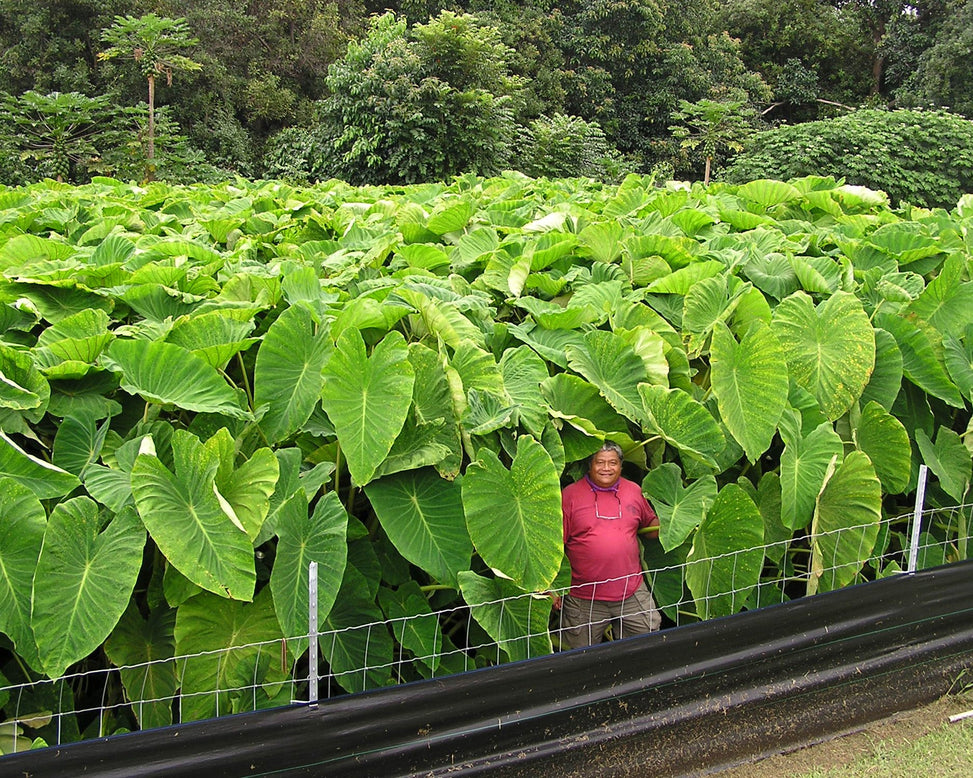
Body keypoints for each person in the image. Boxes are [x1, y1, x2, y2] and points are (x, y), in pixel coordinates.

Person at [554, 441, 661, 649]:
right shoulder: (570, 495)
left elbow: (653, 529)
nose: (606, 468)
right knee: (580, 658)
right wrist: (552, 588)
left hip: (630, 591)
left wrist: (679, 516)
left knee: (648, 643)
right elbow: (555, 545)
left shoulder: (633, 491)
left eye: (612, 463)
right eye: (600, 462)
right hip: (584, 597)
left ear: (621, 466)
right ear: (590, 465)